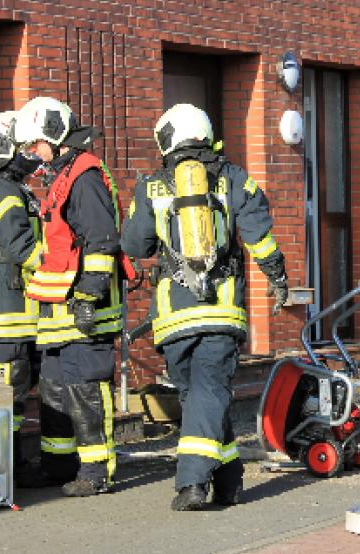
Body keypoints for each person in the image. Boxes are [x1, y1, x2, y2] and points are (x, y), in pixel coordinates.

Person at [120, 103, 288, 511]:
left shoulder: (152, 186)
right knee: (208, 396)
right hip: (222, 309)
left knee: (200, 395)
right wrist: (278, 278)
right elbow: (260, 238)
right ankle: (211, 481)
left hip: (174, 314)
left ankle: (203, 482)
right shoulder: (235, 180)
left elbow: (134, 245)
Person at [14, 96, 135, 497]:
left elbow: (101, 242)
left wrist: (88, 297)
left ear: (52, 135)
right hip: (57, 313)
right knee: (53, 389)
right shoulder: (61, 177)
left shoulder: (84, 176)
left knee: (85, 388)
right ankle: (58, 465)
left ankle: (96, 472)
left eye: (35, 144)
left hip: (85, 311)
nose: (32, 153)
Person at [0, 110, 45, 487]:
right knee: (9, 387)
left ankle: (12, 465)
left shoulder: (13, 186)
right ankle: (4, 468)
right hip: (6, 305)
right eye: (24, 146)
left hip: (18, 301)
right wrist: (55, 269)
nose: (31, 153)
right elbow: (20, 244)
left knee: (20, 385)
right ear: (6, 148)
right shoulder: (0, 190)